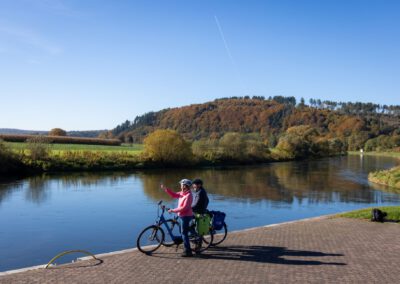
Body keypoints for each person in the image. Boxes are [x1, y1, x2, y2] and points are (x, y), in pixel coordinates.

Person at [162, 179, 194, 257]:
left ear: (185, 186)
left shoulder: (188, 195)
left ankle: (188, 251)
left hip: (186, 216)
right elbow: (174, 195)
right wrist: (166, 189)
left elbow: (184, 208)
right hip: (181, 215)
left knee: (184, 233)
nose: (180, 186)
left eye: (181, 185)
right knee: (184, 231)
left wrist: (173, 210)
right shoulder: (182, 193)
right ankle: (195, 238)